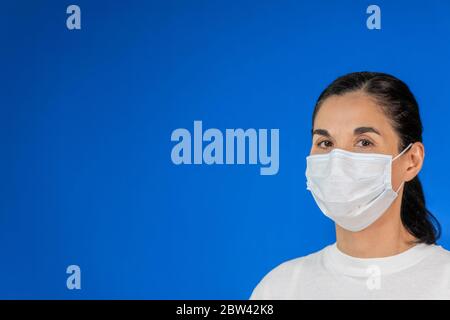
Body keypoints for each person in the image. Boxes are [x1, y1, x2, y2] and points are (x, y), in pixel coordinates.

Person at [250, 71, 450, 299]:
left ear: (411, 161)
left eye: (364, 142)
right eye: (325, 142)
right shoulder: (280, 288)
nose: (338, 162)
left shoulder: (444, 282)